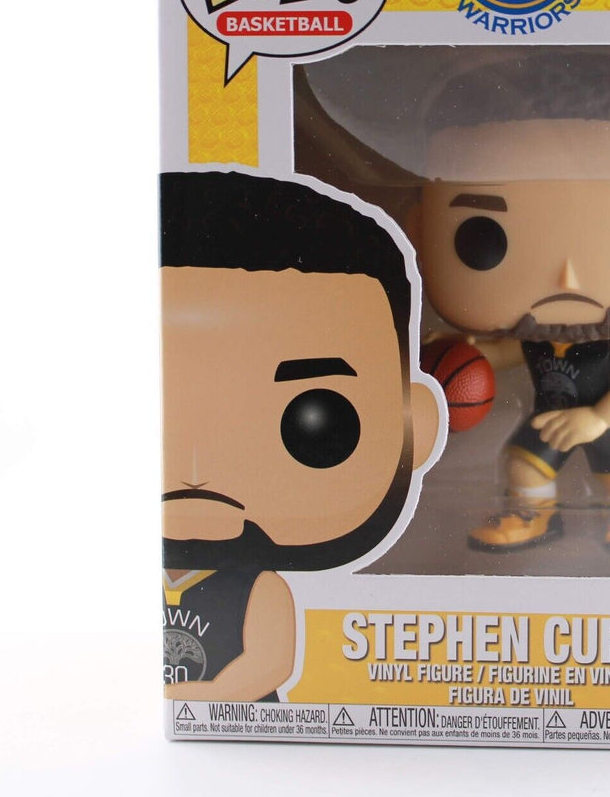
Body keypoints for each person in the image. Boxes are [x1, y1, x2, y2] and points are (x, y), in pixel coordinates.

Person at [413, 49, 610, 554]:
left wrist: (598, 419)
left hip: (605, 421)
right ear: (419, 234)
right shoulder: (536, 337)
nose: (567, 276)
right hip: (550, 418)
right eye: (484, 237)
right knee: (521, 466)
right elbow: (503, 353)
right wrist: (465, 353)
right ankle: (532, 514)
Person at [161, 170, 440, 701]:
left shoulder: (260, 588)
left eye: (317, 421)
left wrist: (185, 703)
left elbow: (268, 664)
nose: (197, 474)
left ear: (415, 429)